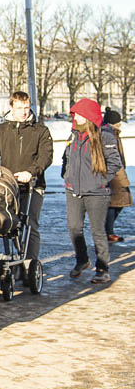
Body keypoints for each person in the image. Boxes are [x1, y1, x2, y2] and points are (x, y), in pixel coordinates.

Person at [0, 91, 53, 262]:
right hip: (8, 185)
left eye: (27, 107)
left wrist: (31, 172)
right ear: (11, 107)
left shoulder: (40, 130)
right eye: (20, 108)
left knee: (30, 224)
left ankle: (29, 262)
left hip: (32, 185)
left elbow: (46, 156)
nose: (24, 112)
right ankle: (18, 257)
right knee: (13, 225)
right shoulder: (1, 130)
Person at [61, 99, 123, 284]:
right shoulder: (73, 135)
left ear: (89, 116)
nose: (75, 117)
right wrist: (67, 176)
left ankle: (102, 268)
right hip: (74, 190)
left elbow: (115, 163)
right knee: (74, 228)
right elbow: (66, 159)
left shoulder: (105, 136)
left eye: (79, 114)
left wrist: (100, 181)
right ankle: (82, 260)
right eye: (74, 114)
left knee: (97, 230)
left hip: (97, 192)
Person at [103, 108, 131, 243]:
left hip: (117, 170)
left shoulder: (113, 133)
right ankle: (108, 231)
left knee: (119, 201)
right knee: (114, 203)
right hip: (113, 171)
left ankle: (107, 230)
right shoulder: (108, 133)